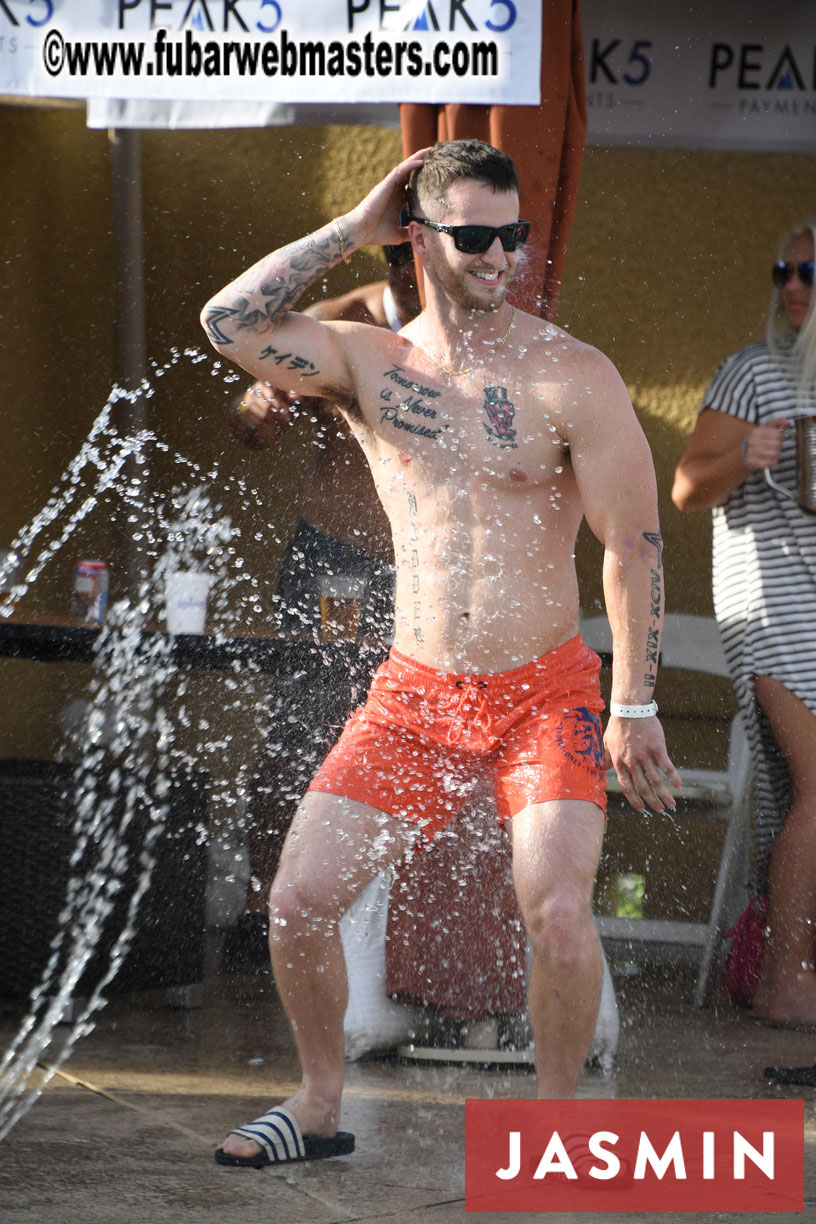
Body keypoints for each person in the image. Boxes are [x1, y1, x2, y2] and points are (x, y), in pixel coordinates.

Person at [201, 139, 679, 1167]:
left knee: (558, 911)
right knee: (297, 902)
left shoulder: (572, 375)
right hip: (415, 697)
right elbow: (227, 323)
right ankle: (318, 1103)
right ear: (418, 237)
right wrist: (351, 228)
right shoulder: (371, 365)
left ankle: (556, 1137)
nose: (501, 255)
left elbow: (633, 549)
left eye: (513, 234)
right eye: (474, 237)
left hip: (544, 694)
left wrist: (634, 704)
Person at [223, 247, 416, 969]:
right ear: (399, 262)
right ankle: (259, 905)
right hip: (336, 562)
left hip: (428, 570)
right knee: (303, 724)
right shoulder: (340, 323)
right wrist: (260, 406)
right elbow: (250, 425)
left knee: (414, 736)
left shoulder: (474, 330)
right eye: (417, 266)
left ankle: (385, 924)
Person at [672, 217, 816, 1028]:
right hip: (768, 604)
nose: (792, 286)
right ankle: (785, 981)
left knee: (801, 790)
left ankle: (790, 964)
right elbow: (688, 486)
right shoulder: (753, 371)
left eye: (808, 274)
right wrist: (744, 456)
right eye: (783, 273)